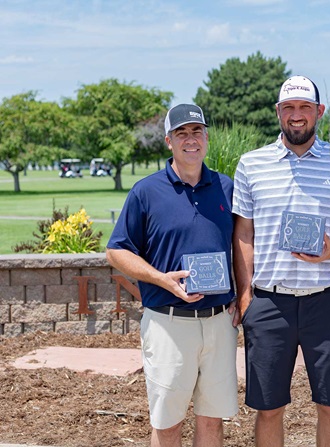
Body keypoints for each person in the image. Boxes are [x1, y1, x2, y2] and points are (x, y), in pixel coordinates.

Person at [232, 75, 330, 447]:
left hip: (325, 299)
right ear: (278, 112)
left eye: (304, 107)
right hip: (269, 302)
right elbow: (244, 233)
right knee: (269, 406)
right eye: (288, 107)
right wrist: (246, 295)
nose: (296, 115)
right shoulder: (251, 164)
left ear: (319, 112)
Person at [106, 103, 238, 447]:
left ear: (206, 137)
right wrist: (162, 279)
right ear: (168, 141)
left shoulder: (226, 187)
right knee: (167, 424)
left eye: (197, 131)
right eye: (181, 133)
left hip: (218, 322)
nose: (190, 139)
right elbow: (116, 250)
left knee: (212, 420)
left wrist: (244, 295)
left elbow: (241, 245)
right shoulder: (146, 192)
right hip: (168, 323)